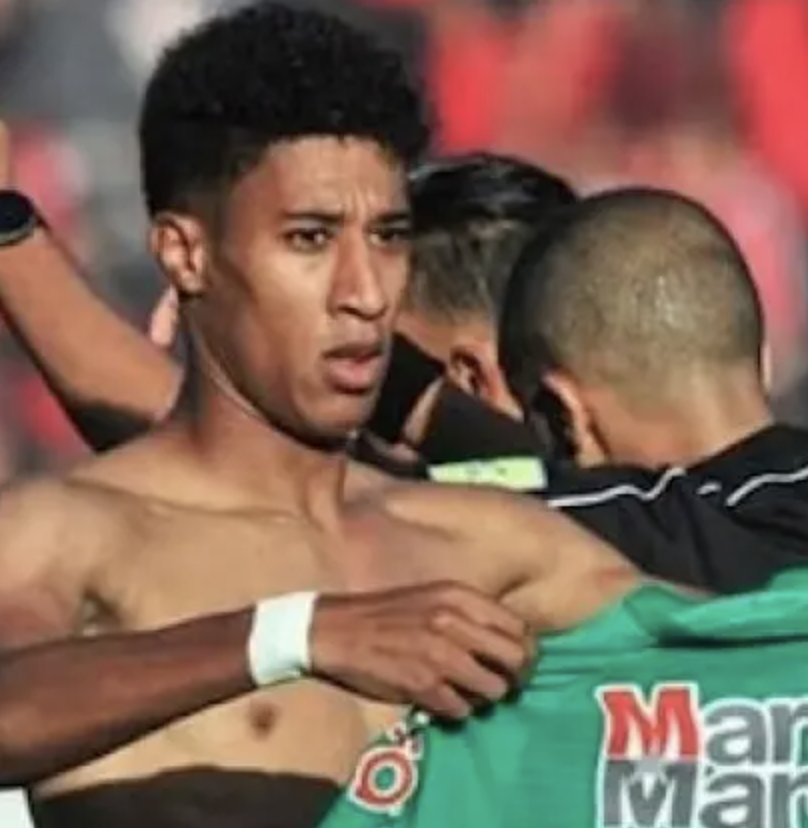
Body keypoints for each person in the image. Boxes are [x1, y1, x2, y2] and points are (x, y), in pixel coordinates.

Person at [0, 5, 643, 828]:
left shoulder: (499, 540)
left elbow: (741, 652)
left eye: (389, 237)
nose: (366, 293)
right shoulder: (66, 529)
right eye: (310, 238)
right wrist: (293, 638)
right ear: (185, 254)